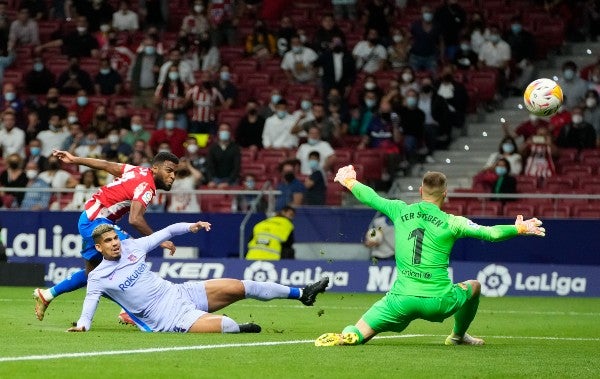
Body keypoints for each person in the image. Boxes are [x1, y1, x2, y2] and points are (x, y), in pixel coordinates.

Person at [315, 165, 546, 347]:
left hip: (400, 300)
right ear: (445, 194)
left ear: (420, 191)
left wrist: (349, 180)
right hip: (439, 301)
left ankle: (350, 335)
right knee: (474, 286)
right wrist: (519, 228)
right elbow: (491, 234)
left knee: (358, 331)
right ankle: (457, 336)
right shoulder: (453, 222)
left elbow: (371, 197)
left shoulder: (400, 210)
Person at [67, 220, 329, 333]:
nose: (115, 243)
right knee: (225, 325)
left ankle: (302, 294)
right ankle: (238, 330)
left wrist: (192, 226)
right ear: (98, 248)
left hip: (180, 292)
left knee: (241, 285)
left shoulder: (132, 246)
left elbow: (168, 230)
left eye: (115, 238)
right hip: (167, 318)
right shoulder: (99, 277)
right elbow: (90, 305)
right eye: (108, 241)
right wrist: (83, 325)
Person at [32, 150, 180, 322]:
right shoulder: (146, 186)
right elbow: (135, 219)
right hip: (97, 222)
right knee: (132, 252)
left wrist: (75, 159)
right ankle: (128, 312)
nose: (173, 176)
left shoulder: (137, 170)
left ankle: (47, 295)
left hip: (89, 218)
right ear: (155, 169)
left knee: (92, 275)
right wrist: (159, 240)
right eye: (169, 170)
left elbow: (106, 165)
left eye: (175, 172)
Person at [206, 122, 240, 188]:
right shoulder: (212, 148)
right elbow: (209, 166)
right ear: (218, 132)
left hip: (231, 180)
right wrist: (210, 180)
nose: (224, 131)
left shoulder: (235, 148)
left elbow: (236, 168)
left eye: (226, 130)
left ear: (229, 132)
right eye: (222, 129)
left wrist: (228, 182)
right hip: (215, 179)